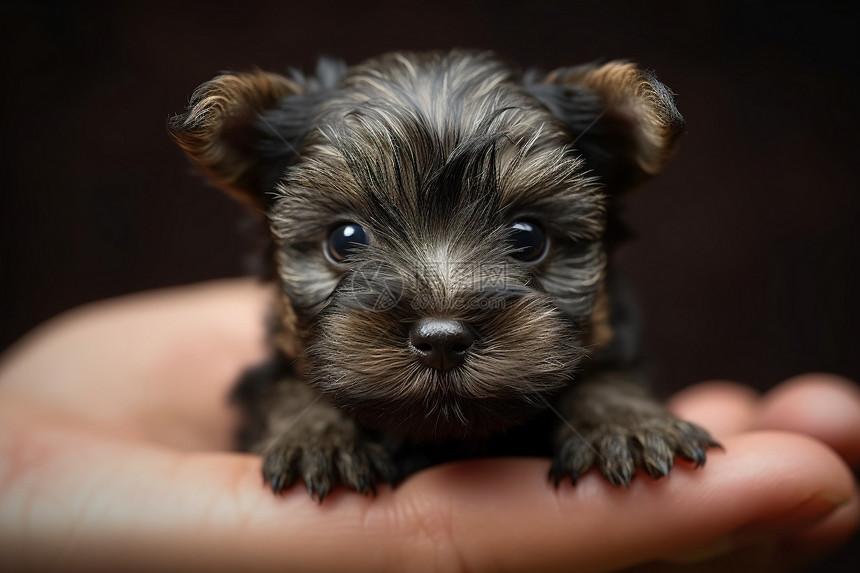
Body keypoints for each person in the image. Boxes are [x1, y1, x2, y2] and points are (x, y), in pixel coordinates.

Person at [0, 278, 857, 572]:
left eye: (525, 239)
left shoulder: (596, 358)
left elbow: (604, 378)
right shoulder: (278, 371)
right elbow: (274, 391)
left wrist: (614, 414)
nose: (442, 317)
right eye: (347, 238)